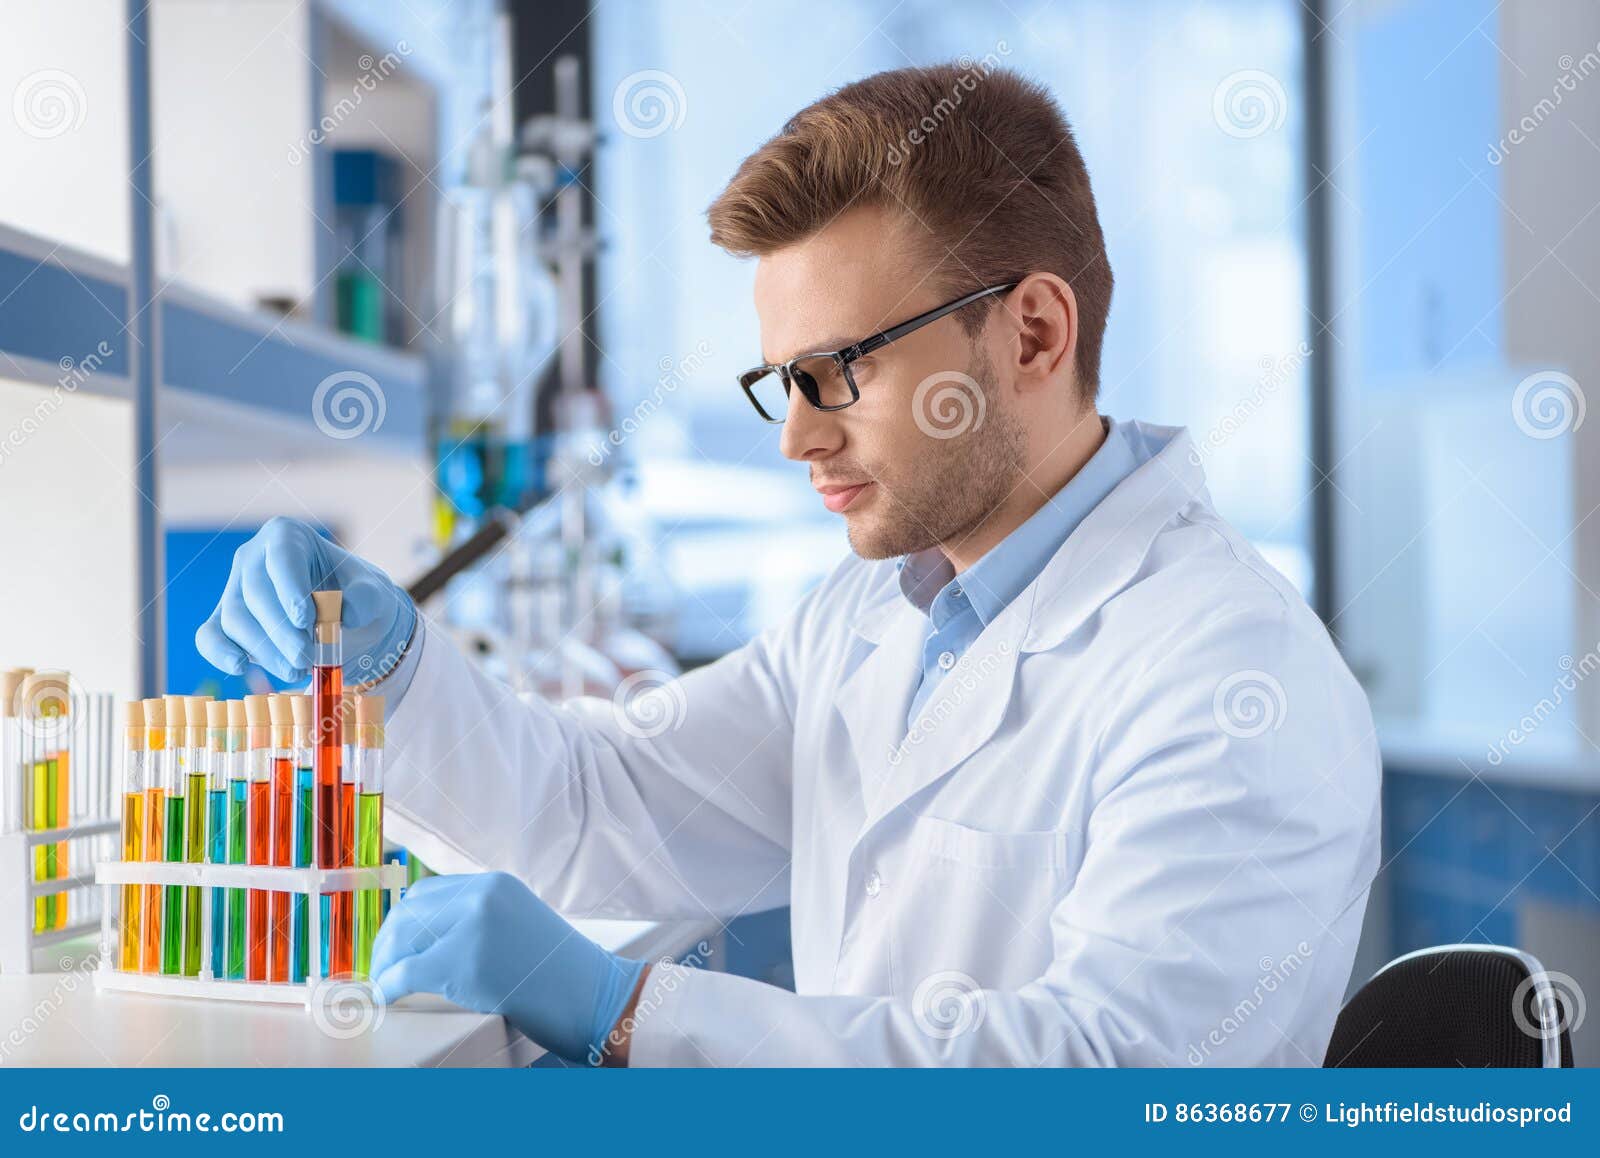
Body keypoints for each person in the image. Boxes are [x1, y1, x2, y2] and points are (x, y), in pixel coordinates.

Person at [198, 64, 1379, 1067]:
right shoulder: (876, 614)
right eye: (783, 381)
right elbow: (602, 804)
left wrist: (627, 1017)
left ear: (1031, 332)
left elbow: (1106, 1073)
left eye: (841, 370)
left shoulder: (1235, 675)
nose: (798, 436)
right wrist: (395, 663)